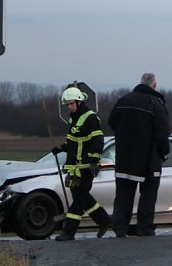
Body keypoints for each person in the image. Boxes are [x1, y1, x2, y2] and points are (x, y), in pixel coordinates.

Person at [108, 72, 170, 238]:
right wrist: (164, 151)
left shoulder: (123, 101)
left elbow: (112, 122)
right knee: (148, 195)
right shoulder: (156, 104)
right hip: (148, 159)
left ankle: (120, 228)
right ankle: (144, 228)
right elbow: (162, 131)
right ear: (154, 85)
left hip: (125, 158)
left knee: (123, 195)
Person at [51, 86, 110, 241]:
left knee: (78, 200)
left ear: (78, 102)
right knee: (82, 197)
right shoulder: (74, 118)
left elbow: (97, 141)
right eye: (67, 105)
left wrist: (93, 161)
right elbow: (74, 142)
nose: (69, 107)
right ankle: (104, 220)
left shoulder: (90, 117)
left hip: (86, 167)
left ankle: (68, 232)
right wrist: (61, 148)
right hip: (74, 167)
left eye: (71, 104)